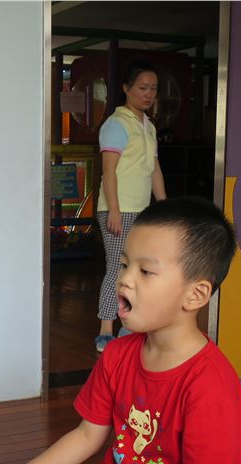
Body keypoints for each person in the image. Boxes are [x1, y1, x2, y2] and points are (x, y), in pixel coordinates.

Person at [0, 198, 241, 464]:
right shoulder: (118, 353)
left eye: (145, 271)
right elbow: (87, 434)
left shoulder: (212, 388)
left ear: (195, 295)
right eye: (124, 264)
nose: (125, 280)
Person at [95, 59, 167, 353]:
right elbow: (108, 170)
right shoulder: (117, 124)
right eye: (142, 88)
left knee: (136, 269)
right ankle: (105, 330)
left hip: (141, 210)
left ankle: (128, 324)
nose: (148, 94)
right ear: (126, 89)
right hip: (119, 209)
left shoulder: (148, 126)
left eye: (153, 89)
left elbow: (154, 169)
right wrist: (113, 210)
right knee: (117, 266)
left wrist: (164, 206)